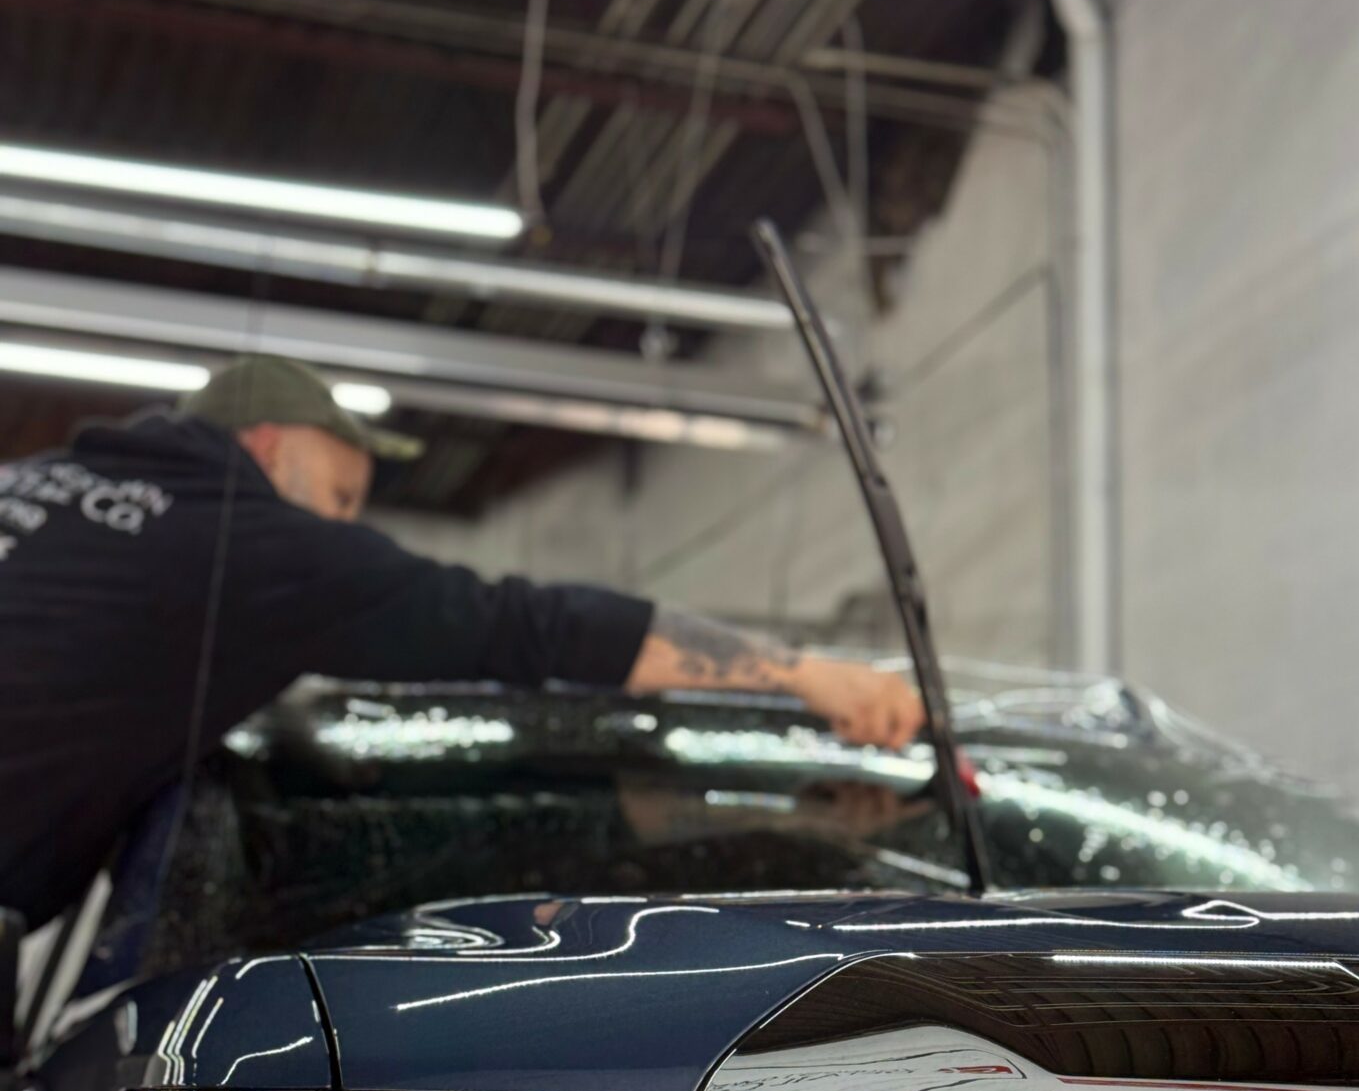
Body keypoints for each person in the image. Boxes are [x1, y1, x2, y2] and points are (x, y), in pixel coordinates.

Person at [0, 355, 925, 928]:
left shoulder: (37, 483)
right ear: (271, 447)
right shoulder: (254, 544)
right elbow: (524, 625)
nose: (344, 527)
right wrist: (803, 674)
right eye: (340, 499)